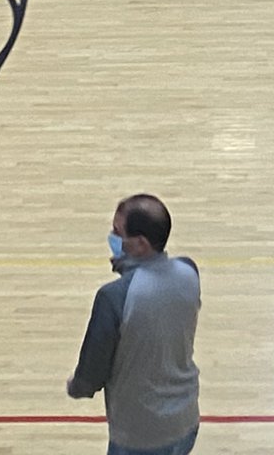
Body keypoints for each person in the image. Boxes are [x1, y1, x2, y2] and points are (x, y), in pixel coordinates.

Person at [67, 194, 200, 455]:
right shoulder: (189, 271)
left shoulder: (114, 297)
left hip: (140, 437)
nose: (112, 238)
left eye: (117, 232)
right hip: (186, 422)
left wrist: (75, 387)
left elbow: (91, 375)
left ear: (140, 244)